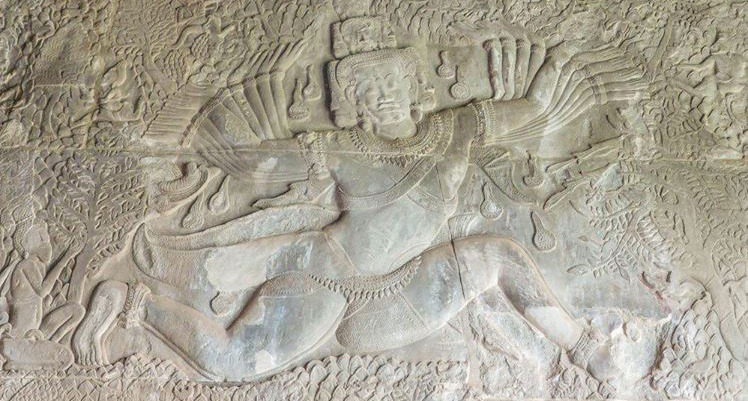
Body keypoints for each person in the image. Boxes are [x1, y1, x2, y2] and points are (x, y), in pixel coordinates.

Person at [74, 19, 645, 382]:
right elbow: (256, 164)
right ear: (357, 107)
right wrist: (193, 150)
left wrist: (559, 63)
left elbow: (534, 112)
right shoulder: (337, 148)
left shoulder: (458, 128)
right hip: (325, 276)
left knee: (498, 255)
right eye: (371, 91)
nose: (386, 97)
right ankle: (132, 304)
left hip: (407, 281)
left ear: (416, 91)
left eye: (394, 84)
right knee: (233, 362)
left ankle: (586, 349)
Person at [7, 220, 83, 343]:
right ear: (33, 246)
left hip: (36, 329)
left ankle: (52, 342)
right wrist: (66, 258)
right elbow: (42, 290)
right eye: (44, 243)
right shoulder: (27, 264)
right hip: (21, 332)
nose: (49, 247)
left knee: (78, 310)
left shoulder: (40, 267)